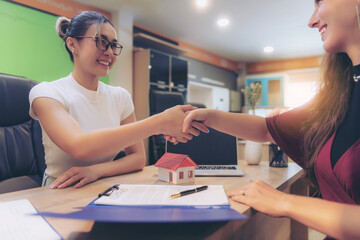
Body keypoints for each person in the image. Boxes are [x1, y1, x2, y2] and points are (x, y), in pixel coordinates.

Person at [180, 0, 360, 238]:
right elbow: (267, 129)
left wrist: (284, 202)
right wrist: (209, 116)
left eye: (321, 2)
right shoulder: (340, 92)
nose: (312, 20)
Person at [29, 11, 200, 189]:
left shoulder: (120, 96)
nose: (110, 52)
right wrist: (159, 122)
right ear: (73, 44)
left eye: (113, 45)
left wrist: (96, 171)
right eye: (102, 42)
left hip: (102, 186)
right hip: (59, 190)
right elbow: (78, 146)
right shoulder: (46, 92)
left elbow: (138, 158)